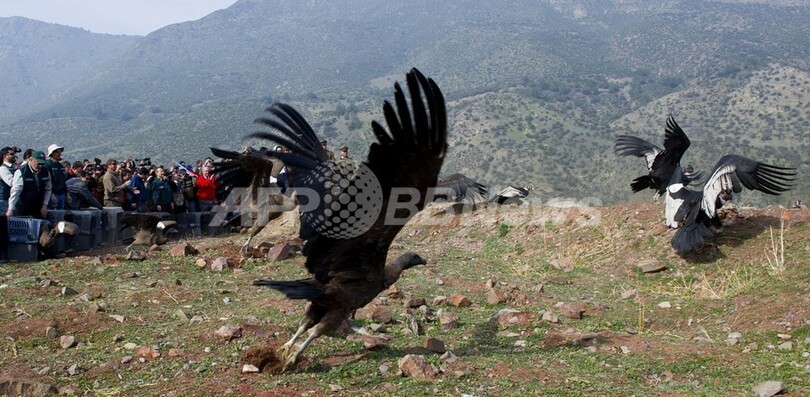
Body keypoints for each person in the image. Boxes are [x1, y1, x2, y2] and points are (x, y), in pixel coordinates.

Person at [7, 151, 52, 219]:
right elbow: (15, 191)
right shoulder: (21, 172)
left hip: (38, 207)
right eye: (38, 163)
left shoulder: (46, 172)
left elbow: (48, 189)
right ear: (31, 160)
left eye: (42, 164)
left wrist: (45, 205)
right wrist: (10, 209)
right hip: (22, 207)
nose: (40, 166)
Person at [0, 146, 20, 263]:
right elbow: (11, 182)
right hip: (3, 201)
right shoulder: (3, 169)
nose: (14, 156)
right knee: (2, 229)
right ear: (5, 156)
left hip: (9, 200)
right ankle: (2, 257)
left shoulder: (14, 168)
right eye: (11, 154)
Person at [44, 144, 68, 209]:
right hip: (53, 195)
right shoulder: (47, 165)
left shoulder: (60, 166)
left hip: (61, 194)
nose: (60, 154)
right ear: (53, 153)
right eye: (58, 152)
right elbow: (47, 182)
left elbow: (63, 181)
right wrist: (51, 194)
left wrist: (67, 194)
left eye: (60, 152)